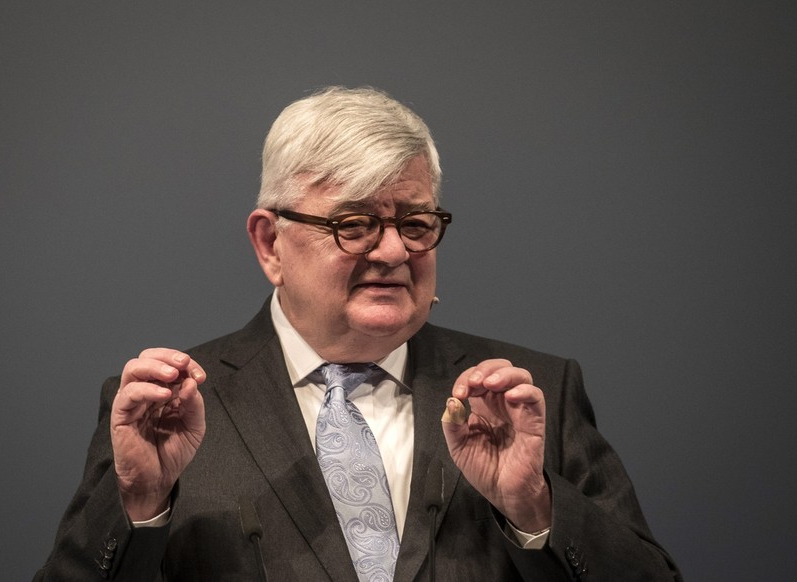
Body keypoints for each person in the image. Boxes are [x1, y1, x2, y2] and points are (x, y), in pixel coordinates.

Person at [35, 86, 681, 581]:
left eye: (416, 222)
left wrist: (535, 508)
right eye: (354, 223)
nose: (394, 251)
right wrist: (141, 506)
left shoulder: (529, 397)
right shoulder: (166, 411)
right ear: (269, 243)